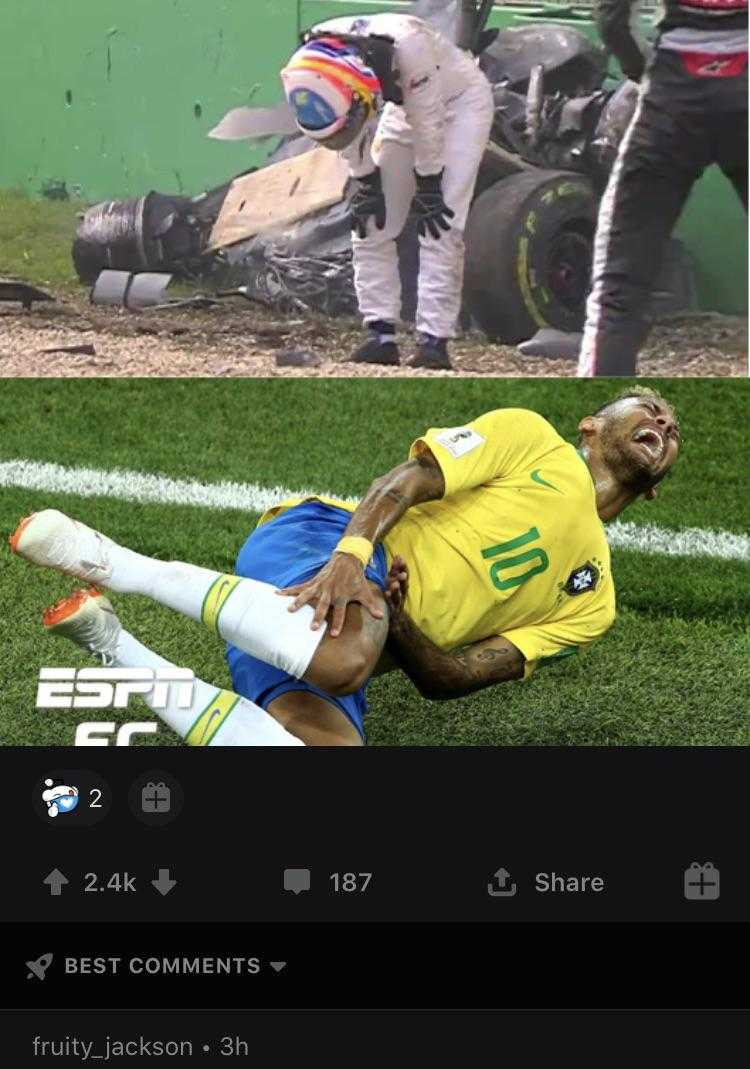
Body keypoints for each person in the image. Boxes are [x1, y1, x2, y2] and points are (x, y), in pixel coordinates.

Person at [11, 388, 681, 748]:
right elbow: (411, 478)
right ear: (591, 427)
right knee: (343, 660)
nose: (663, 418)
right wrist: (352, 559)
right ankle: (121, 564)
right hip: (321, 540)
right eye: (647, 404)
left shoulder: (595, 605)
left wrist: (403, 622)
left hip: (342, 635)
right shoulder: (534, 438)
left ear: (655, 487)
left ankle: (111, 643)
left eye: (673, 425)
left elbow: (453, 677)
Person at [279, 13, 494, 371]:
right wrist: (364, 178)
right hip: (402, 105)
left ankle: (433, 342)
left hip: (457, 105)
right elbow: (348, 129)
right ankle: (380, 334)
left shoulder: (409, 47)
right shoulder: (317, 70)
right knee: (369, 220)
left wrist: (429, 183)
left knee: (440, 222)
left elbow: (428, 127)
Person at [578, 0, 748, 375]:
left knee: (618, 285)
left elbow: (613, 17)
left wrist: (641, 70)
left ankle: (608, 425)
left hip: (673, 94)